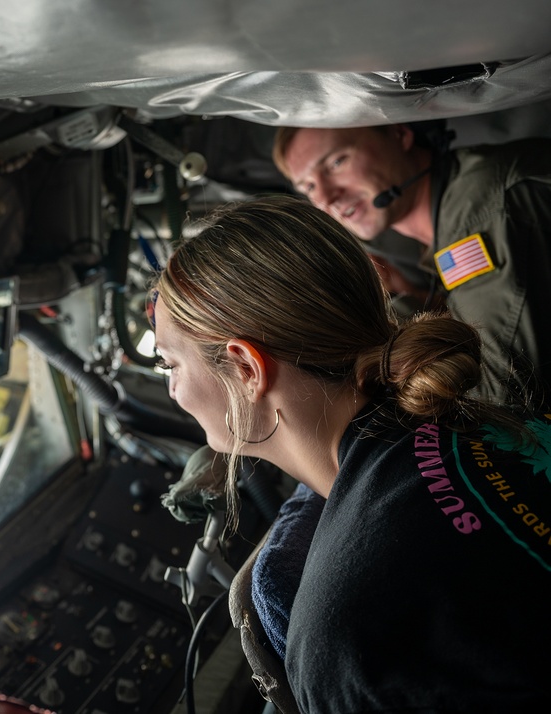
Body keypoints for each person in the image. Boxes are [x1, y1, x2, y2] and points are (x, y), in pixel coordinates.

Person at [151, 194, 550, 712]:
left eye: (169, 365)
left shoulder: (344, 640)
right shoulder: (497, 424)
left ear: (246, 369)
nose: (173, 392)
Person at [273, 125, 551, 405]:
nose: (325, 198)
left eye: (336, 162)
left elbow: (502, 401)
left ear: (400, 135)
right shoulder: (456, 205)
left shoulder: (477, 217)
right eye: (308, 186)